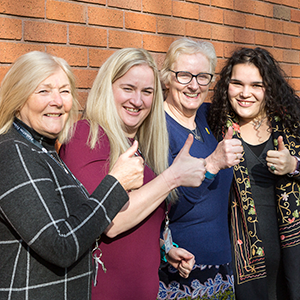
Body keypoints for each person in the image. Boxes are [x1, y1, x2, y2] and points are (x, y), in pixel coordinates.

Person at [59, 47, 207, 300]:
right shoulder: (86, 135)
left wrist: (163, 249)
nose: (137, 101)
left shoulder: (138, 146)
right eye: (128, 88)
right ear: (108, 88)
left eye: (147, 92)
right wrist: (173, 177)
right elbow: (111, 223)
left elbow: (136, 221)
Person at [0, 51, 145, 300]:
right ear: (17, 98)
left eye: (65, 91)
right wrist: (116, 183)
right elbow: (61, 245)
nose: (57, 101)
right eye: (43, 91)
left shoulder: (43, 149)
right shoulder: (14, 152)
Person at [208, 47, 300, 300]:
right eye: (237, 83)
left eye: (256, 85)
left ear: (269, 88)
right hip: (243, 264)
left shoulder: (293, 121)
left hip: (293, 257)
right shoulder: (212, 124)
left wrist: (294, 166)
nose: (245, 93)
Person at [157, 38, 243, 299]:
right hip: (183, 268)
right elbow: (166, 207)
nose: (194, 85)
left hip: (223, 264)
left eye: (203, 76)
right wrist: (211, 165)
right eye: (184, 75)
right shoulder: (158, 129)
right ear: (167, 78)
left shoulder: (208, 117)